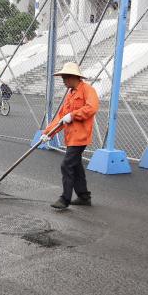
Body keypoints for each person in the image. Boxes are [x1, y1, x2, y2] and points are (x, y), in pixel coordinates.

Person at [40, 62, 99, 209]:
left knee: (66, 165)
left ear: (74, 77)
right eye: (63, 78)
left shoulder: (87, 90)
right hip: (71, 136)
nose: (63, 80)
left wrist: (73, 115)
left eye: (65, 77)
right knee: (76, 166)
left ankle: (65, 199)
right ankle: (84, 197)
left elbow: (92, 108)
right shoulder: (71, 93)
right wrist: (48, 133)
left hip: (81, 136)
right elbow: (61, 116)